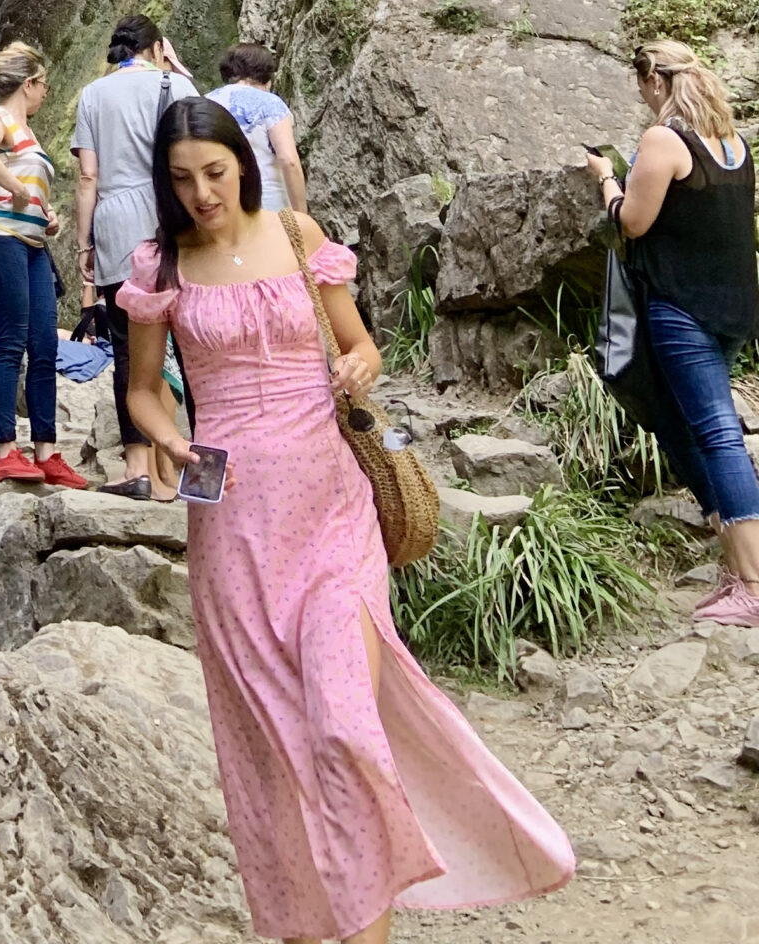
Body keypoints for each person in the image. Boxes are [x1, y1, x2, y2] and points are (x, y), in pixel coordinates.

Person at [118, 98, 573, 944]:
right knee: (272, 758)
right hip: (233, 531)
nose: (202, 193)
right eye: (182, 180)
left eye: (214, 173)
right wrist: (171, 441)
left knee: (344, 728)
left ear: (241, 162)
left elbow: (359, 345)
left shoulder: (296, 234)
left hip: (332, 513)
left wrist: (358, 367)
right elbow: (143, 388)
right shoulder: (159, 267)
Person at [584, 38, 759, 623]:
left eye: (640, 86)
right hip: (734, 308)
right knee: (689, 423)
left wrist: (607, 180)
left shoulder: (665, 139)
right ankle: (737, 562)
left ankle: (753, 584)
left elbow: (632, 222)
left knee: (714, 432)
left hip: (681, 309)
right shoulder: (733, 144)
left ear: (654, 82)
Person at [71, 15, 190, 500]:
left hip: (116, 226)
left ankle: (137, 467)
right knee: (190, 343)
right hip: (169, 219)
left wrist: (84, 244)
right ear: (157, 48)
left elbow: (87, 178)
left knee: (126, 350)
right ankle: (204, 464)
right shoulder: (175, 84)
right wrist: (179, 70)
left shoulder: (93, 94)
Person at [0, 43, 87, 489]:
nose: (46, 95)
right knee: (13, 339)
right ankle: (4, 450)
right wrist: (16, 187)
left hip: (31, 241)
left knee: (44, 344)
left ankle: (47, 450)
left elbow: (28, 190)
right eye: (43, 86)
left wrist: (44, 213)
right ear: (29, 83)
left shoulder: (29, 134)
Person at [214, 42, 307, 214]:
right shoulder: (270, 103)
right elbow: (289, 161)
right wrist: (302, 216)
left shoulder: (207, 103)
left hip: (224, 203)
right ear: (265, 75)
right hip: (269, 204)